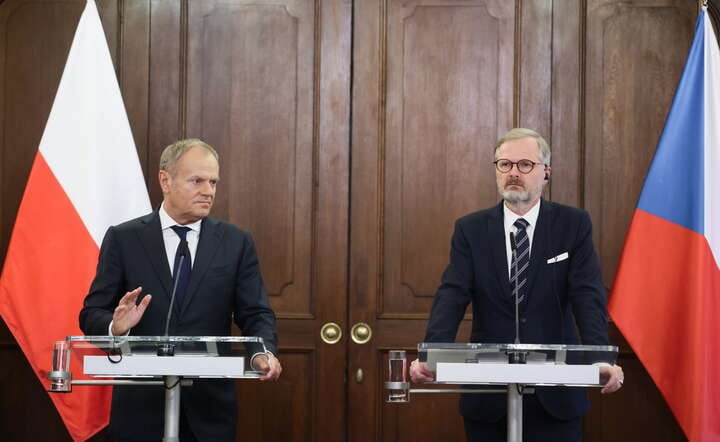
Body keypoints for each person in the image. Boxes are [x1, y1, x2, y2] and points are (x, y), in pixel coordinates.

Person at [409, 128, 623, 442]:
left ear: (546, 172)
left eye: (525, 165)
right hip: (488, 394)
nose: (513, 173)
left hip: (557, 394)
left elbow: (586, 295)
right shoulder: (471, 229)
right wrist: (433, 353)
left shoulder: (573, 224)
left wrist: (600, 358)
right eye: (504, 164)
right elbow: (452, 293)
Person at [79, 138, 281, 441]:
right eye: (196, 180)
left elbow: (255, 312)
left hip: (208, 409)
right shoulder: (124, 238)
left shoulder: (236, 242)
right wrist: (115, 327)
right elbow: (92, 312)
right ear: (166, 180)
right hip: (141, 407)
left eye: (213, 181)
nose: (208, 191)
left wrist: (261, 352)